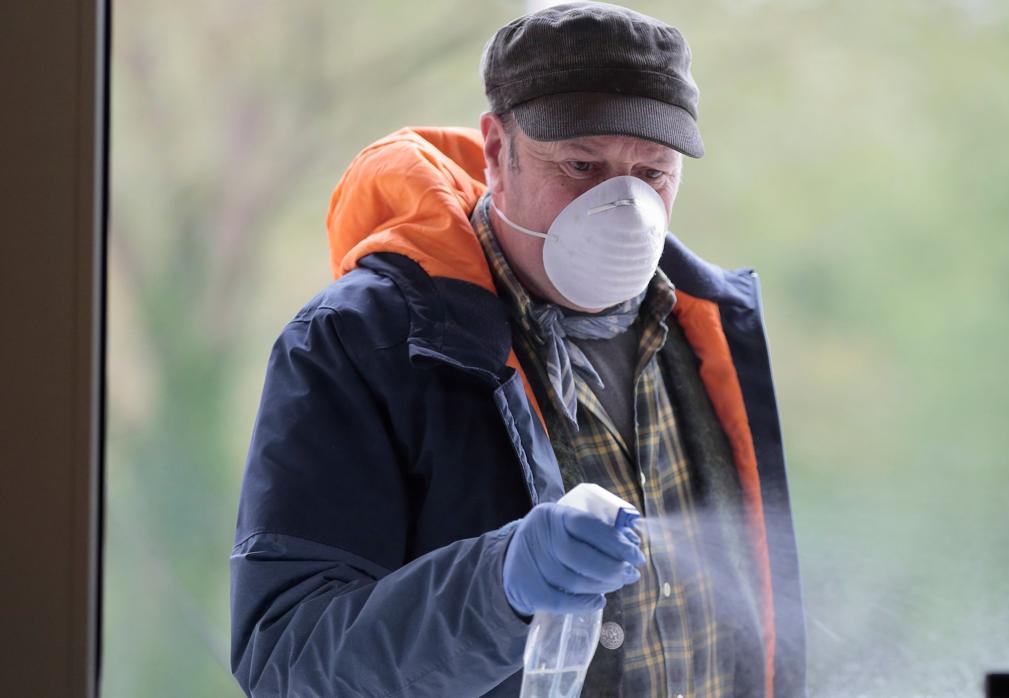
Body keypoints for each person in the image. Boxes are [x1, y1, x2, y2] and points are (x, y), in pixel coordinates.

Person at [229, 2, 806, 696]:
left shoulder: (709, 330)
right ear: (498, 151)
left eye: (651, 174)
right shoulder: (361, 344)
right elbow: (287, 659)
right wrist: (498, 586)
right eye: (582, 164)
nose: (622, 207)